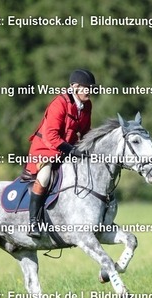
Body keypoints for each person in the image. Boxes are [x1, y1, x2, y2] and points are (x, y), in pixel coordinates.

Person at [24, 69, 96, 238]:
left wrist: (91, 148)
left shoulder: (87, 105)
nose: (90, 91)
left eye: (91, 88)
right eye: (87, 88)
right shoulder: (59, 103)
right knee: (45, 176)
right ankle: (33, 222)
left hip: (65, 149)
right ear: (75, 87)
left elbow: (85, 132)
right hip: (44, 149)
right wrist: (72, 150)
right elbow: (51, 135)